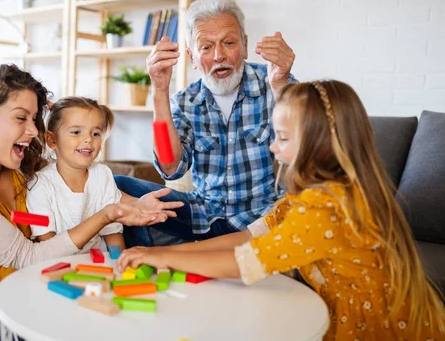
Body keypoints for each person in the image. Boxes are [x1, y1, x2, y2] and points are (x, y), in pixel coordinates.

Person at [118, 80, 445, 340]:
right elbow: (247, 237)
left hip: (376, 330)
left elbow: (246, 262)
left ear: (322, 143)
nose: (273, 147)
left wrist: (161, 256)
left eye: (284, 138)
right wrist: (177, 254)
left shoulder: (326, 207)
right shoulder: (308, 196)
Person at [0, 65, 181, 341]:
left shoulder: (18, 168)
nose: (33, 130)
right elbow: (26, 258)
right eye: (21, 118)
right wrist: (108, 215)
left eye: (34, 119)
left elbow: (90, 186)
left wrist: (136, 203)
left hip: (39, 290)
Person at [115, 0, 296, 247]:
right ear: (191, 57)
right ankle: (143, 264)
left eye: (229, 42)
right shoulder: (185, 101)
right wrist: (159, 91)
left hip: (261, 218)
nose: (219, 55)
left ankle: (188, 254)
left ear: (244, 45)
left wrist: (281, 87)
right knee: (118, 185)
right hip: (203, 216)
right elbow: (170, 167)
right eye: (206, 47)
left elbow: (306, 150)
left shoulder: (275, 81)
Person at [27, 97, 177, 252]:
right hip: (55, 266)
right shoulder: (40, 184)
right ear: (52, 140)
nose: (88, 139)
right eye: (76, 132)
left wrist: (119, 262)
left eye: (96, 133)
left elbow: (112, 232)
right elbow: (48, 247)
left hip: (95, 266)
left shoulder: (102, 174)